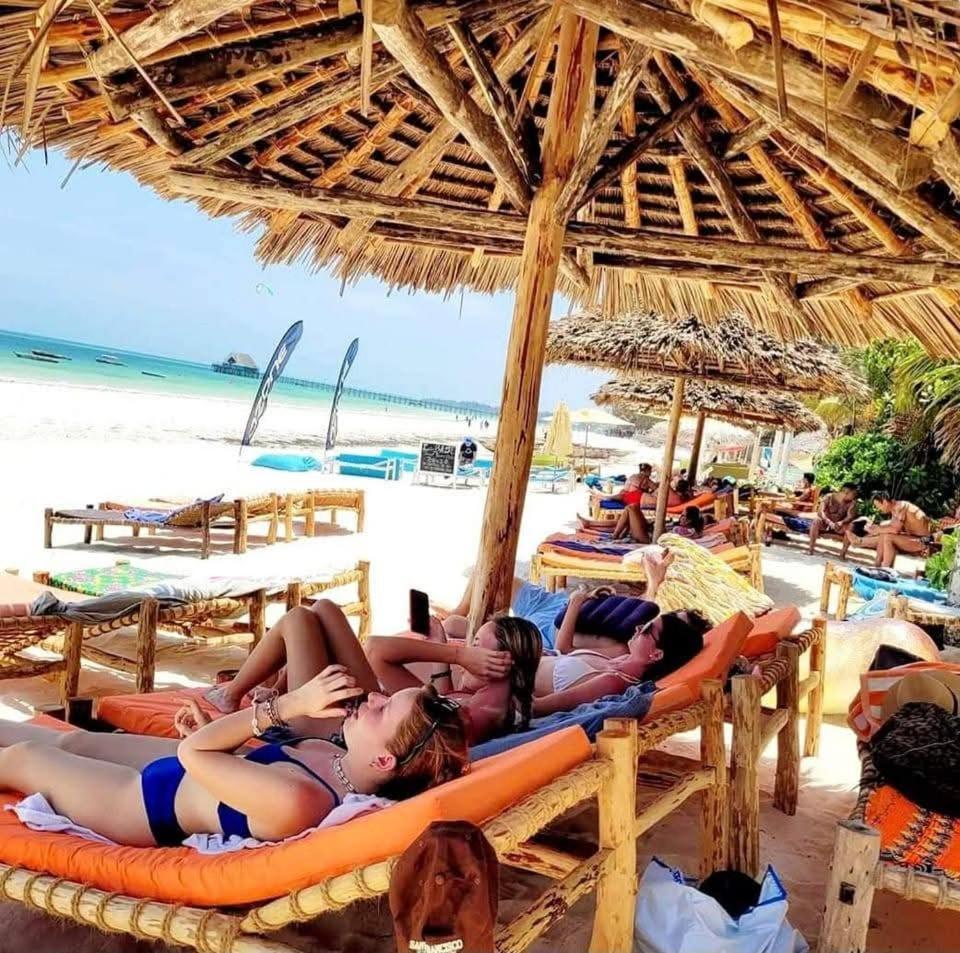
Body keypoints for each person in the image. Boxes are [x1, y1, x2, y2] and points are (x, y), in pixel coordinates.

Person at [0, 668, 467, 848]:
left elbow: (195, 755)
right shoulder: (331, 755)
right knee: (72, 743)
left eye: (383, 710)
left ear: (385, 762)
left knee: (27, 758)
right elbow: (242, 762)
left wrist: (290, 704)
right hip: (182, 772)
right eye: (385, 696)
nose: (373, 698)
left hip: (141, 806)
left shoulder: (302, 801)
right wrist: (214, 731)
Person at [206, 602, 540, 747]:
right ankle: (275, 690)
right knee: (324, 609)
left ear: (503, 661)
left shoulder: (480, 713)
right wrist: (440, 645)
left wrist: (457, 655)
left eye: (477, 645)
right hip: (367, 716)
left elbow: (378, 651)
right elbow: (434, 694)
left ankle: (230, 695)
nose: (469, 650)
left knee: (299, 620)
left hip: (342, 736)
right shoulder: (485, 700)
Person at [842, 491, 932, 567]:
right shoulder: (896, 507)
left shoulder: (900, 507)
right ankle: (876, 565)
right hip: (915, 538)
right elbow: (891, 527)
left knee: (888, 537)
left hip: (924, 541)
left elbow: (895, 529)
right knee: (884, 532)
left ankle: (885, 569)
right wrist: (877, 528)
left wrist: (877, 530)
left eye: (878, 505)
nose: (878, 509)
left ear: (884, 502)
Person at [808, 483, 859, 555]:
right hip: (825, 523)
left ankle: (842, 554)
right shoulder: (829, 497)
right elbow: (820, 511)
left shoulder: (852, 503)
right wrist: (828, 521)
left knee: (851, 526)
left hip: (839, 526)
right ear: (845, 492)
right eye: (853, 494)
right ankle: (810, 549)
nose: (854, 496)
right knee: (816, 520)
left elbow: (850, 516)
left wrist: (841, 522)